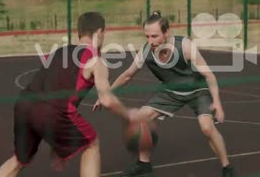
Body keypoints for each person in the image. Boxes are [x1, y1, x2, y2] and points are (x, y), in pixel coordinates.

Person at [93, 11, 235, 177]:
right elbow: (127, 75)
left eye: (154, 36)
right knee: (141, 118)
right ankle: (144, 163)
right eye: (147, 36)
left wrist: (217, 102)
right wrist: (105, 94)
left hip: (198, 90)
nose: (150, 41)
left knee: (207, 128)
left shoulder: (185, 46)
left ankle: (227, 167)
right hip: (170, 91)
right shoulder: (146, 51)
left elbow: (209, 75)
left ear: (167, 33)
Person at [0, 12, 136, 177]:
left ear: (78, 33)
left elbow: (52, 89)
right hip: (52, 112)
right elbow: (106, 100)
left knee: (18, 160)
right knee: (91, 145)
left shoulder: (58, 52)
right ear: (99, 32)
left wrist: (57, 144)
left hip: (24, 105)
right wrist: (130, 115)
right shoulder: (96, 61)